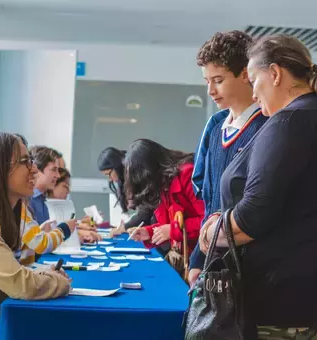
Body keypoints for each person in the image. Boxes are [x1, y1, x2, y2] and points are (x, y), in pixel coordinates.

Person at [199, 34, 317, 338]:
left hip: (281, 298)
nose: (254, 93)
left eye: (254, 80)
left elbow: (252, 217)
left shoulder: (287, 122)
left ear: (275, 74)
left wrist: (212, 231)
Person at [189, 30, 268, 286]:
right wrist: (197, 260)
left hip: (250, 267)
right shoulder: (215, 126)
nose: (210, 90)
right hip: (212, 257)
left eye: (218, 80)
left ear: (246, 74)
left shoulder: (267, 126)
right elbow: (210, 202)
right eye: (207, 81)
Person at [0, 133, 70, 339]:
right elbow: (21, 284)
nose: (34, 169)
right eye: (25, 162)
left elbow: (10, 274)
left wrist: (43, 274)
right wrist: (59, 282)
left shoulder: (5, 216)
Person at [125, 139, 204, 276]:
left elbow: (208, 220)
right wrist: (148, 232)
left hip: (200, 260)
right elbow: (167, 225)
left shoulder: (186, 175)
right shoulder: (161, 185)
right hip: (185, 257)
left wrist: (173, 230)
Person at [97, 147, 154, 232]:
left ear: (116, 167)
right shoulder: (125, 179)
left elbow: (145, 214)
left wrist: (124, 228)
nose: (109, 179)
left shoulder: (138, 177)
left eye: (108, 174)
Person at [29, 146, 62, 225]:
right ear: (37, 169)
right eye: (54, 170)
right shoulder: (26, 201)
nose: (58, 175)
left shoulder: (43, 199)